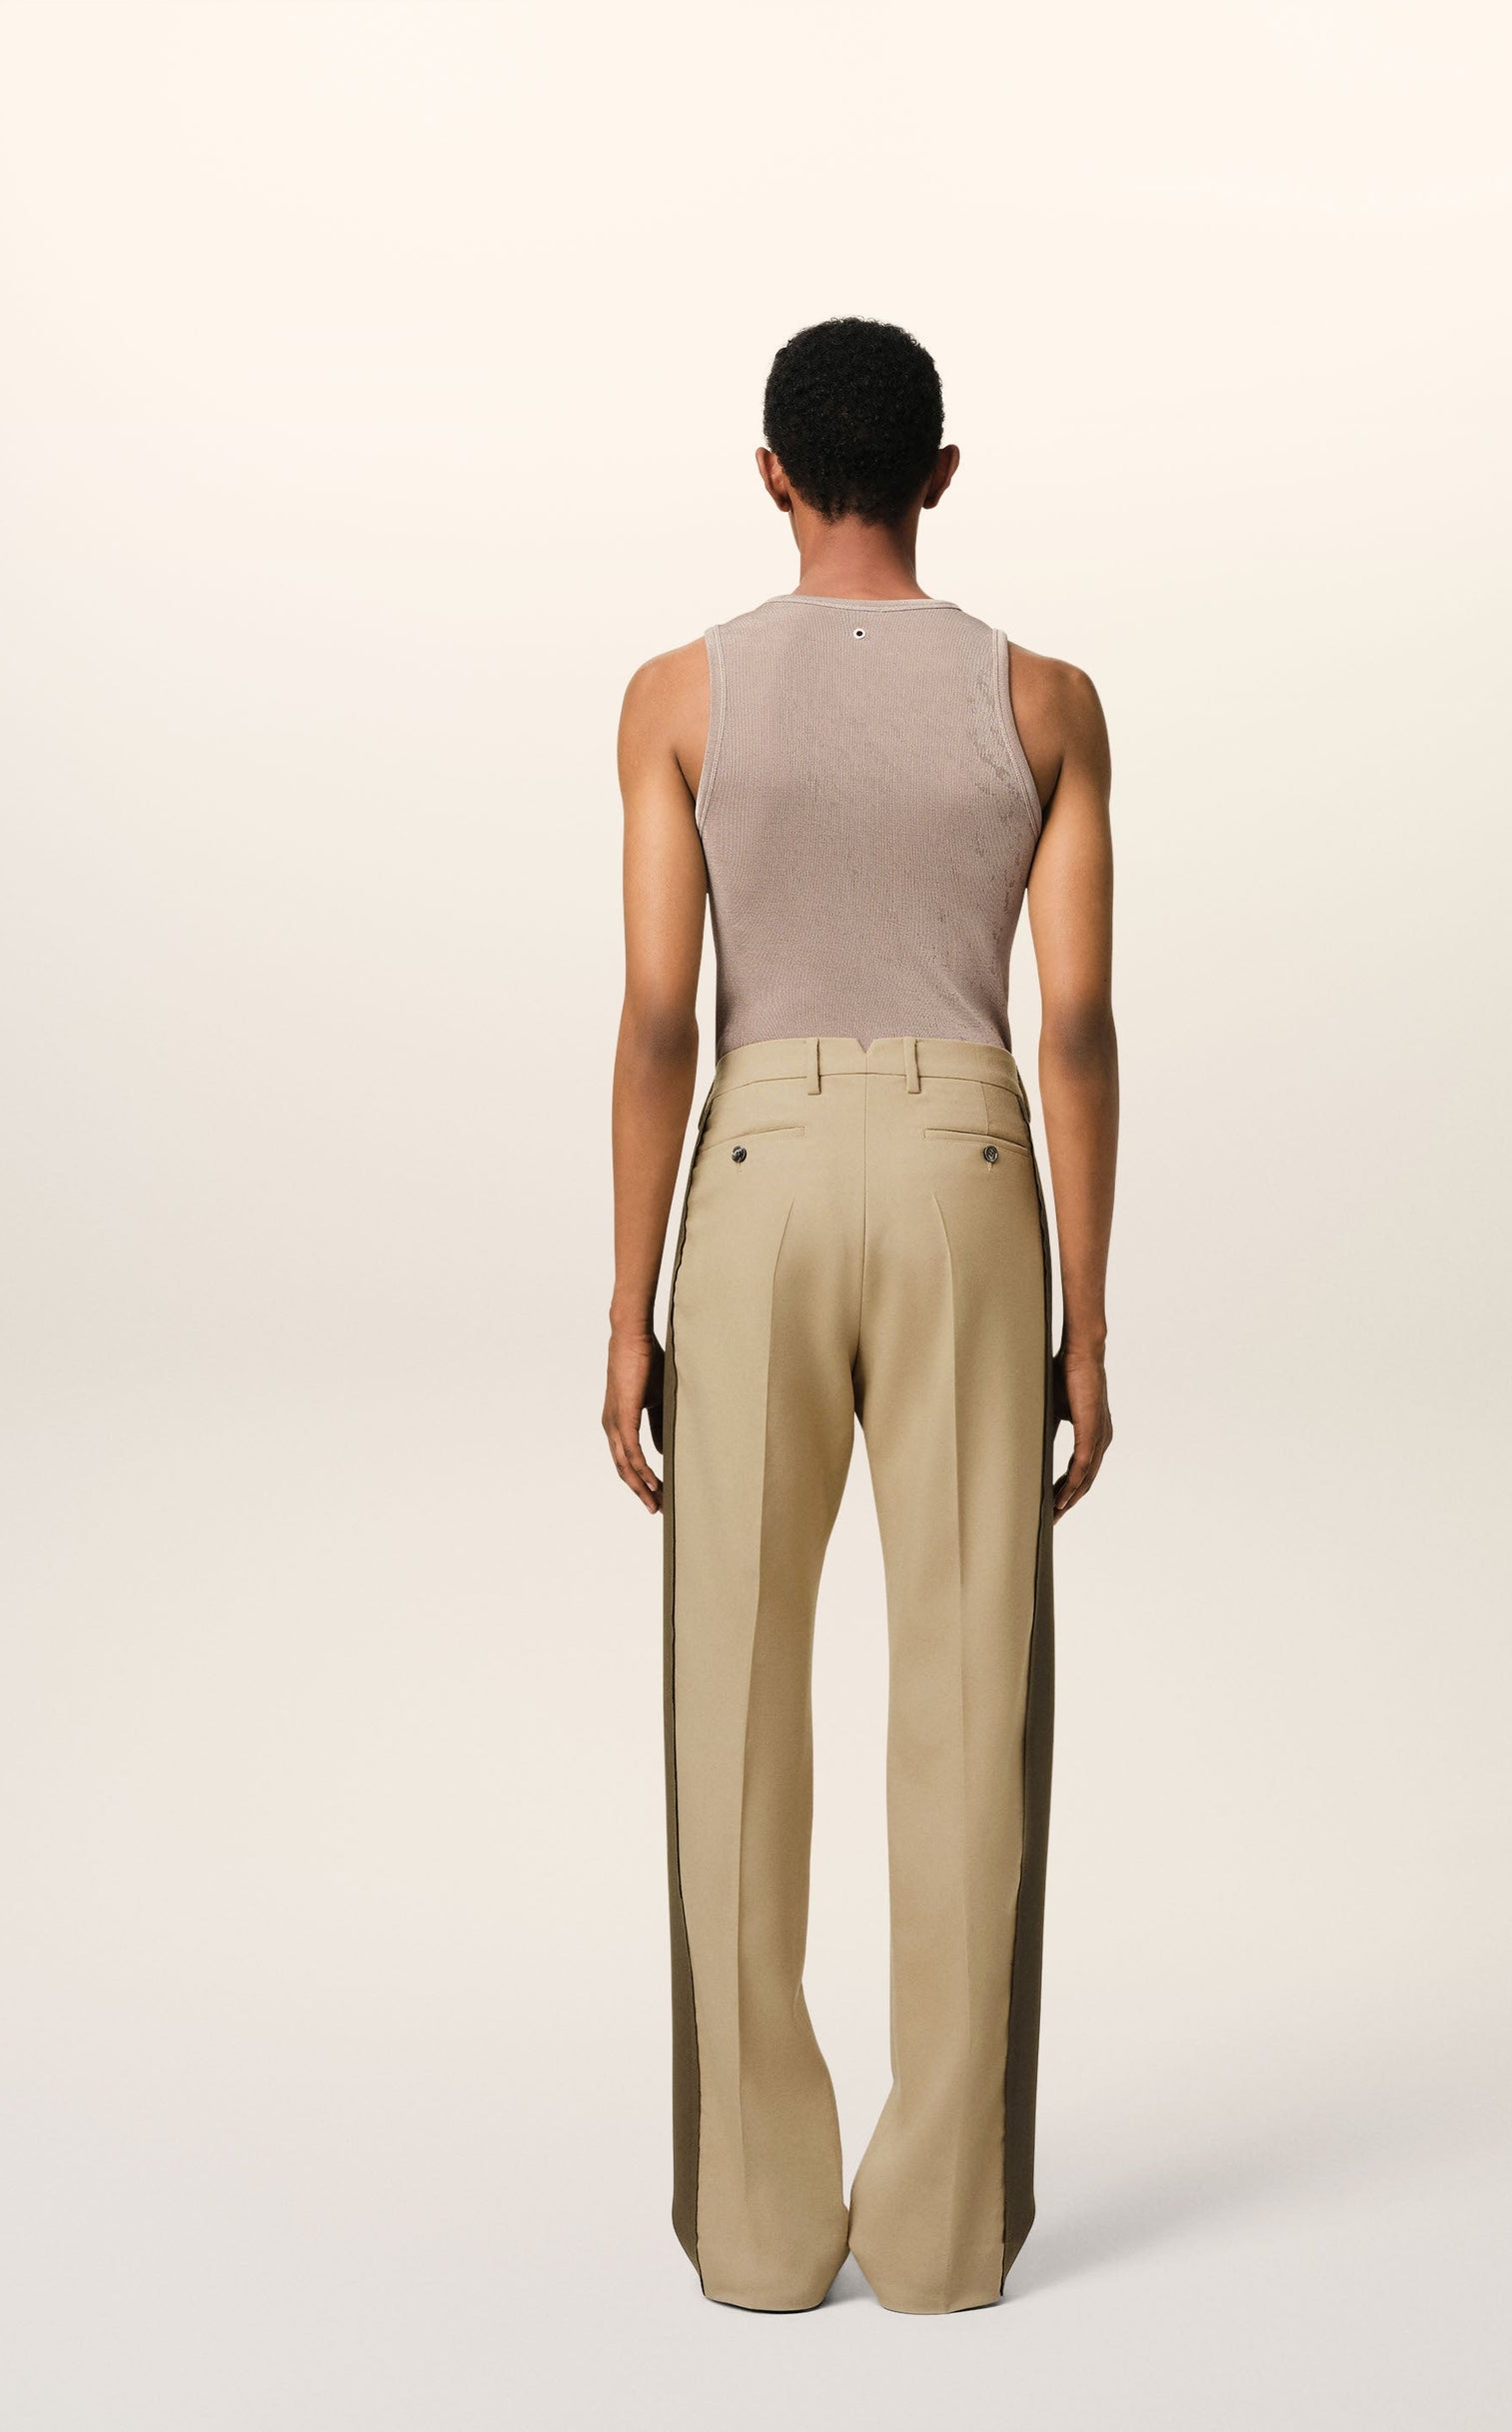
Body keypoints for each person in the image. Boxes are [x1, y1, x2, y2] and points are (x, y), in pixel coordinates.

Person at [602, 317, 1118, 2315]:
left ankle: (754, 2228)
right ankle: (937, 2232)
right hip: (971, 1172)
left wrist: (628, 1299)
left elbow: (661, 1015)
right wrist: (1087, 1318)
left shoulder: (679, 694)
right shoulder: (1044, 697)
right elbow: (1074, 1021)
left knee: (732, 1693)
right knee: (969, 1696)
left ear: (769, 472)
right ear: (941, 473)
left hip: (753, 1172)